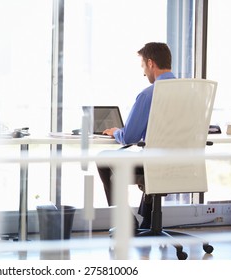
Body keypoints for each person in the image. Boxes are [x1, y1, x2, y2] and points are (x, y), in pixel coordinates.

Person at [97, 42, 175, 230]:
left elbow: (130, 136)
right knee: (148, 163)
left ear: (150, 63)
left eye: (142, 67)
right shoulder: (190, 93)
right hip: (184, 162)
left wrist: (116, 131)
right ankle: (148, 221)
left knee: (103, 159)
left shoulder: (149, 95)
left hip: (154, 163)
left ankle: (127, 221)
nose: (143, 73)